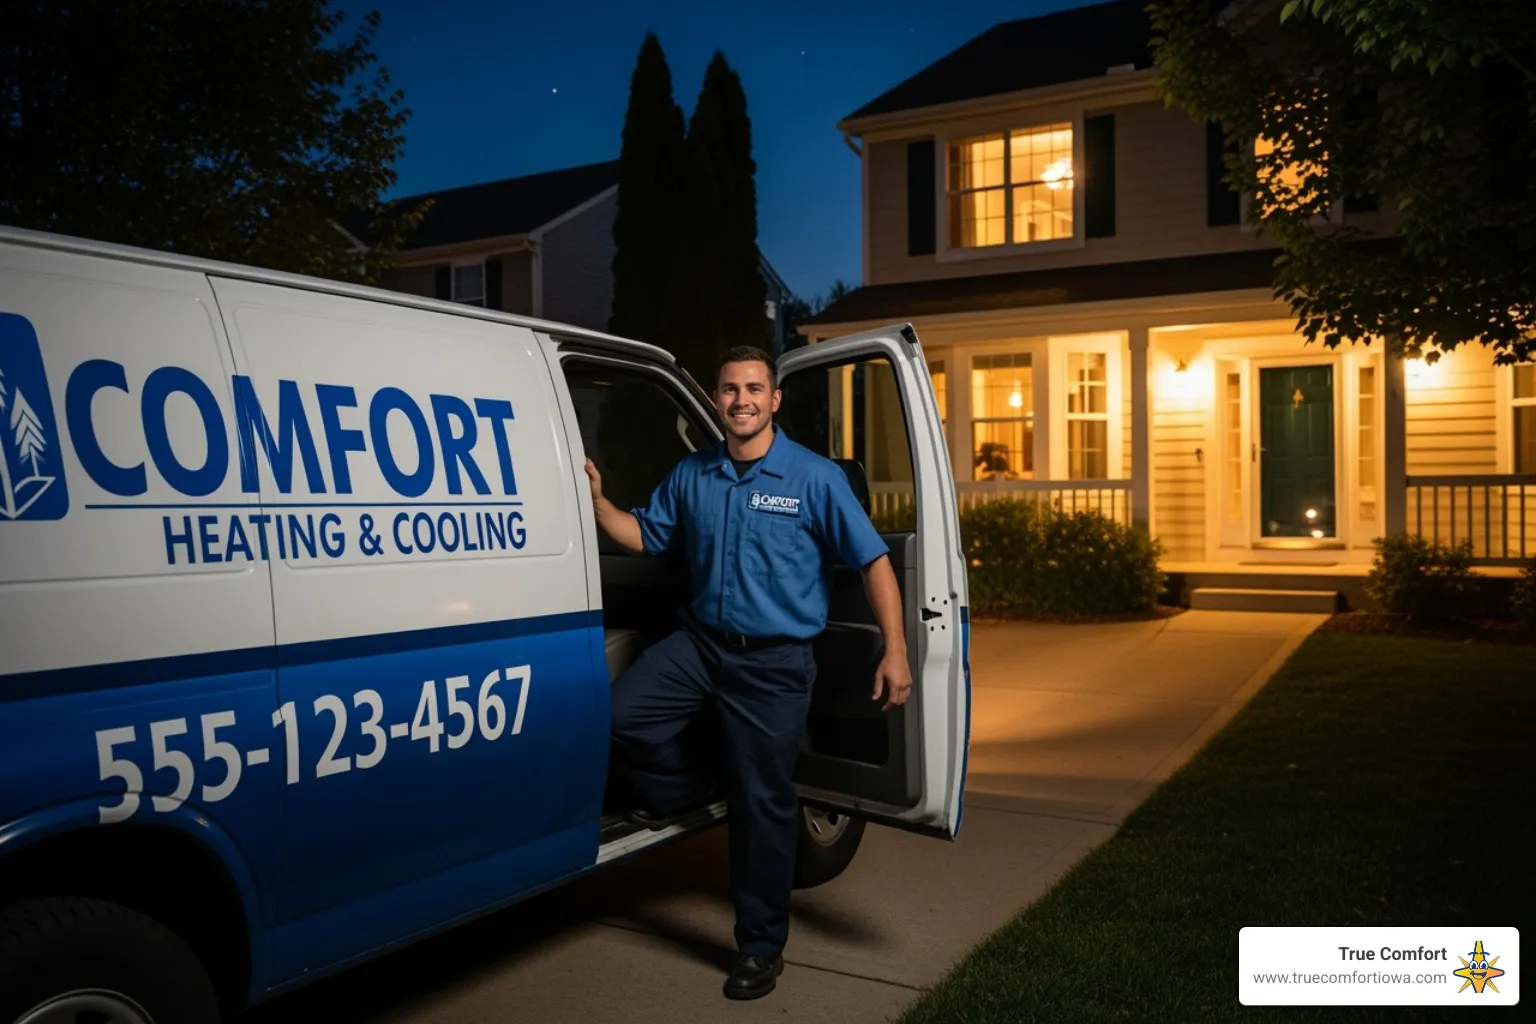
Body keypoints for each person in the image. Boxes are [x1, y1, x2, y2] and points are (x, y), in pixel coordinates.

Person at [584, 344, 912, 1001]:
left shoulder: (814, 479)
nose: (742, 400)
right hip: (701, 645)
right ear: (715, 399)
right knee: (621, 719)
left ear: (774, 399)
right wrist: (596, 501)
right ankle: (687, 788)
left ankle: (760, 947)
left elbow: (874, 560)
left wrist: (896, 648)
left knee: (762, 807)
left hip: (775, 664)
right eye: (730, 389)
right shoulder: (693, 475)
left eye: (754, 389)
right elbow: (645, 535)